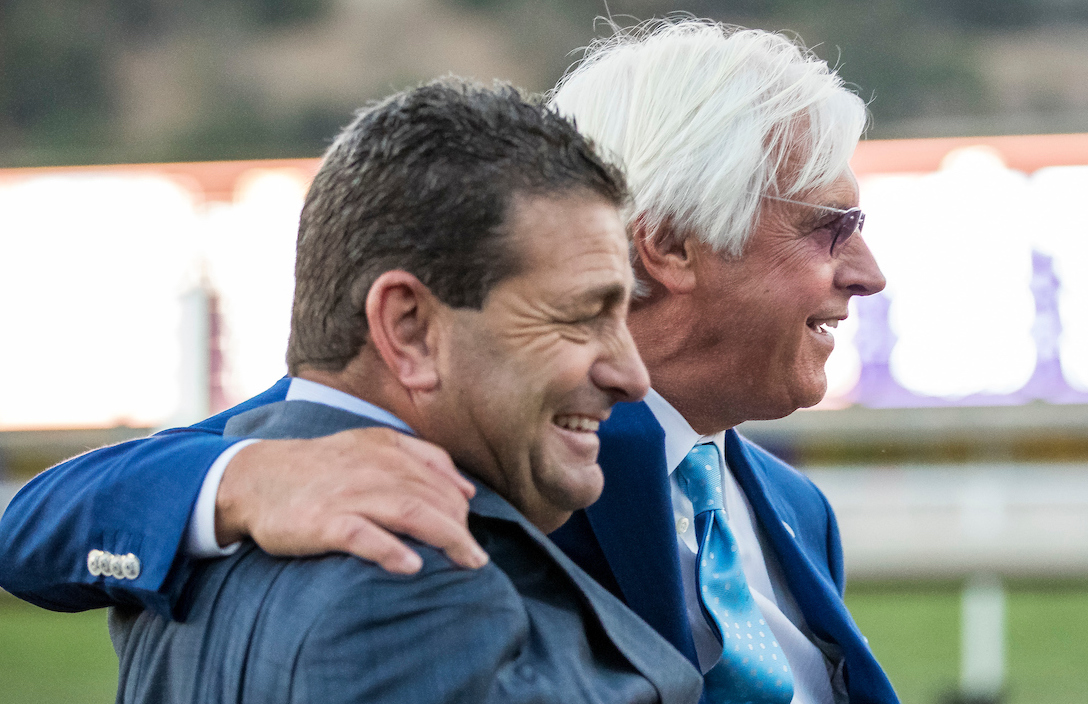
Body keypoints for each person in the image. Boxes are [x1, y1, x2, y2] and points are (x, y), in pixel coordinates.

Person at [0, 19, 895, 704]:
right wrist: (241, 482)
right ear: (669, 243)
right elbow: (43, 519)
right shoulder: (466, 439)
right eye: (830, 227)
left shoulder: (791, 508)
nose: (869, 273)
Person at [105, 79, 702, 704]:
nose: (632, 376)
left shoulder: (187, 548)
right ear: (409, 329)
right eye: (582, 316)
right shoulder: (418, 584)